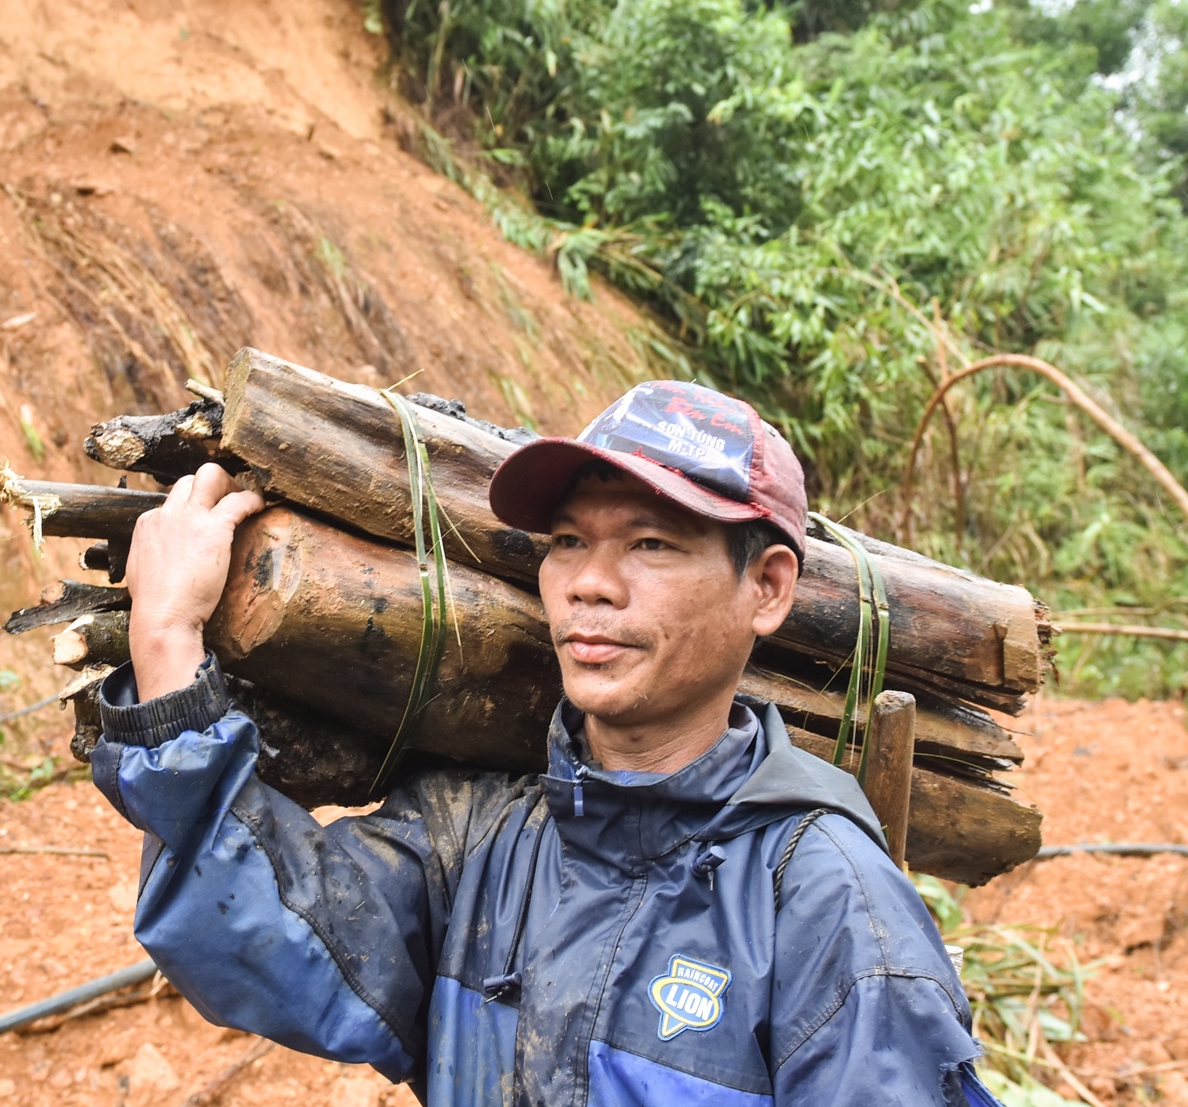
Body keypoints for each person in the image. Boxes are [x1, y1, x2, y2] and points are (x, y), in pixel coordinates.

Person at [89, 380, 1002, 1106]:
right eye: (568, 540)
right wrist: (167, 645)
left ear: (765, 587)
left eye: (650, 543)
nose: (590, 583)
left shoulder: (824, 902)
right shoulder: (481, 837)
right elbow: (267, 943)